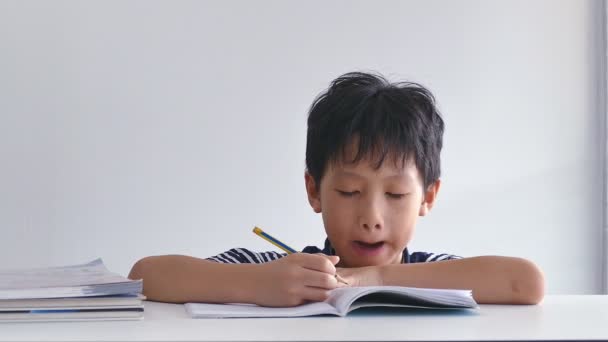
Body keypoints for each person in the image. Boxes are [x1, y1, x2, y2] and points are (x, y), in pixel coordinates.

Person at [129, 71, 545, 306]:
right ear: (314, 190)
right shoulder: (279, 269)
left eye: (396, 195)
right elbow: (146, 276)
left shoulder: (432, 274)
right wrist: (256, 284)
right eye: (348, 192)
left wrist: (375, 277)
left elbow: (524, 282)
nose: (371, 218)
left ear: (428, 197)